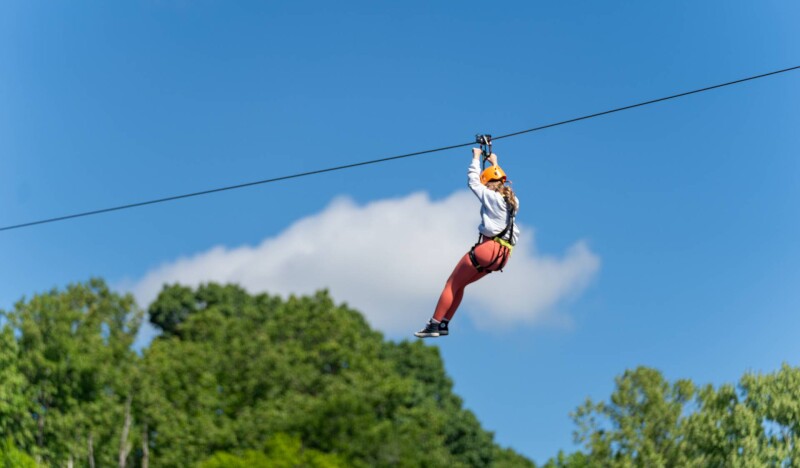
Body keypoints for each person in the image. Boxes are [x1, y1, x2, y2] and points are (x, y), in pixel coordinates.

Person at [415, 147, 520, 338]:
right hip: (503, 256)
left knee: (451, 283)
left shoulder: (491, 196)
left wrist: (476, 158)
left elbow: (473, 182)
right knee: (460, 285)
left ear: (488, 183)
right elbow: (498, 180)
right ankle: (444, 324)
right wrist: (494, 163)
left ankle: (434, 324)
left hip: (489, 249)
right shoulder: (512, 201)